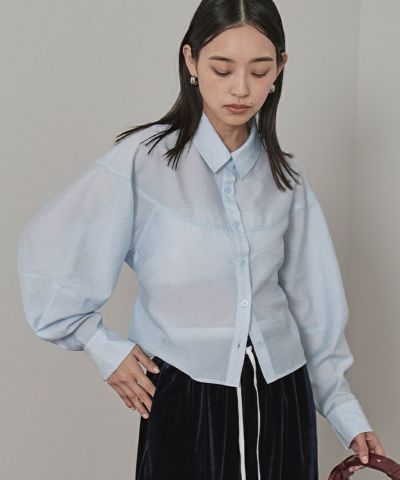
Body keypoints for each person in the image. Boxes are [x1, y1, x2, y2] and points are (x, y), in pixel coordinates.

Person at [16, 0, 385, 478]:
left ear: (279, 69)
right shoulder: (143, 162)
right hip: (187, 400)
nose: (241, 88)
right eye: (222, 68)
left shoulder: (285, 181)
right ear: (190, 61)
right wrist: (100, 345)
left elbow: (314, 308)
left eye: (259, 70)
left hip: (282, 397)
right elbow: (49, 254)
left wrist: (345, 413)